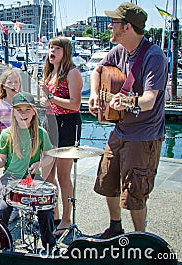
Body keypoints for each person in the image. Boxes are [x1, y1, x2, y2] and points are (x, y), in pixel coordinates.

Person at [88, 2, 167, 238]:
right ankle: (115, 227)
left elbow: (150, 99)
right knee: (108, 180)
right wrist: (94, 94)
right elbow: (97, 70)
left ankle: (140, 239)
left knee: (135, 191)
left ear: (128, 27)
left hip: (144, 136)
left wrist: (129, 102)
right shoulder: (120, 51)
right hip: (120, 131)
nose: (110, 26)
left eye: (114, 23)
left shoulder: (154, 57)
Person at [0, 92, 56, 250]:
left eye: (27, 109)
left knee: (46, 208)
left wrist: (39, 164)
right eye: (19, 110)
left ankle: (49, 246)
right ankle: (2, 245)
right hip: (10, 178)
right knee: (2, 209)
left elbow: (50, 157)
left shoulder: (41, 133)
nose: (23, 113)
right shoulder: (6, 134)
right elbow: (2, 161)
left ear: (34, 111)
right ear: (13, 112)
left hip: (31, 178)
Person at [39, 36, 83, 237]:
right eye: (50, 47)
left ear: (65, 51)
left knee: (64, 174)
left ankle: (67, 219)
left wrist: (50, 96)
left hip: (67, 125)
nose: (51, 51)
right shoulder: (50, 73)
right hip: (50, 122)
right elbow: (51, 103)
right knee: (47, 174)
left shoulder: (72, 73)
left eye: (56, 48)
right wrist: (45, 101)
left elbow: (75, 105)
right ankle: (54, 215)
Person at [0, 69, 23, 223]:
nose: (13, 85)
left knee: (23, 175)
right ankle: (11, 206)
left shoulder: (23, 101)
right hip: (6, 144)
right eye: (9, 82)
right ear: (3, 86)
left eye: (16, 82)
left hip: (23, 143)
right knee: (9, 175)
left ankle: (21, 205)